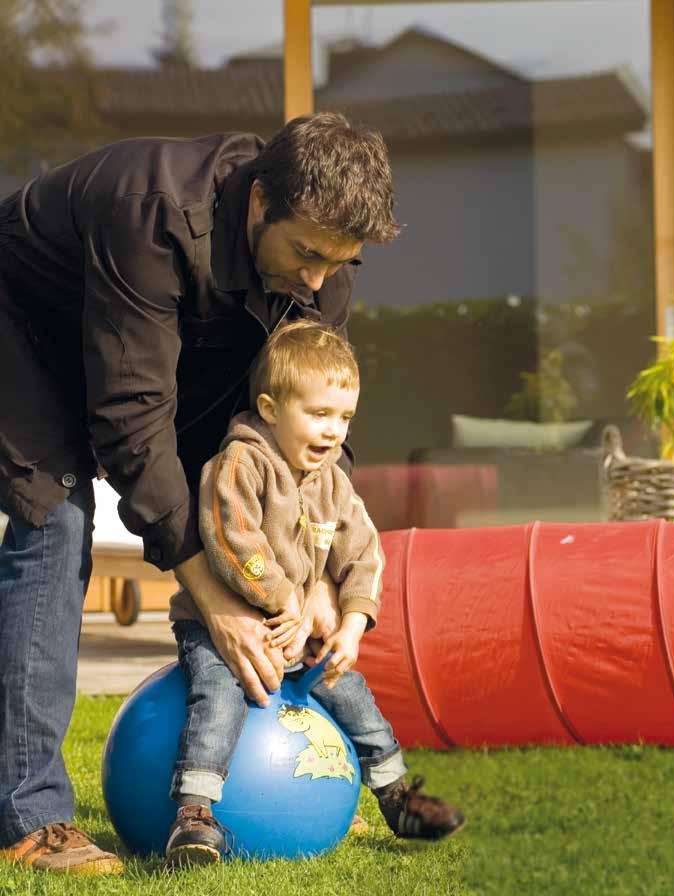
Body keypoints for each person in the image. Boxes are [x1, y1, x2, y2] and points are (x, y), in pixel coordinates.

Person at [0, 112, 399, 875]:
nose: (319, 280)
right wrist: (211, 593)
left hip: (142, 339)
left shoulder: (321, 265)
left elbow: (302, 434)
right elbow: (130, 421)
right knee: (56, 513)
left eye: (339, 263)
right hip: (20, 322)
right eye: (307, 254)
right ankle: (31, 817)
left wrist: (315, 579)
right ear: (258, 205)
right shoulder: (152, 211)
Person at [164, 321, 464, 866]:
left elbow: (365, 550)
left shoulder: (332, 481)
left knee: (350, 692)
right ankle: (194, 814)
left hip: (296, 634)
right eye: (319, 414)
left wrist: (352, 622)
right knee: (220, 694)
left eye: (344, 417)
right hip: (219, 626)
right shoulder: (240, 465)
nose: (333, 431)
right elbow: (234, 541)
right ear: (271, 409)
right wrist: (286, 602)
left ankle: (396, 796)